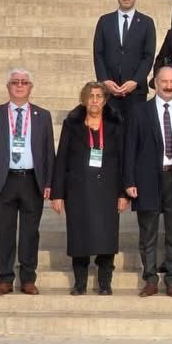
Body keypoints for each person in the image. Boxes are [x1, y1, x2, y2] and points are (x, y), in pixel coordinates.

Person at [0, 69, 55, 295]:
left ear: (31, 87)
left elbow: (49, 153)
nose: (19, 86)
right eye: (15, 82)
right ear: (8, 87)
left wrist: (49, 182)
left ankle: (28, 278)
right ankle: (5, 278)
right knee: (4, 232)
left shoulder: (43, 115)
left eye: (24, 82)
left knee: (30, 232)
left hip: (32, 180)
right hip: (4, 181)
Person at [50, 82, 127, 295]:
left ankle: (104, 283)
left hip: (107, 191)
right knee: (79, 238)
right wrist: (58, 194)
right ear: (84, 99)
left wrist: (122, 193)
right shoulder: (72, 124)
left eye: (99, 96)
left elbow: (123, 160)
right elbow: (62, 158)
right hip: (78, 191)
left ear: (105, 100)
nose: (94, 100)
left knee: (106, 237)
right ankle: (80, 283)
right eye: (90, 96)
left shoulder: (115, 123)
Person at [123, 67, 172, 297]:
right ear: (155, 82)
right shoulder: (139, 110)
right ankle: (151, 279)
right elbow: (130, 147)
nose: (169, 85)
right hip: (147, 178)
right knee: (148, 233)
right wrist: (129, 180)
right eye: (164, 81)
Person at [92, 0, 157, 119]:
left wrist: (135, 81)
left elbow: (148, 56)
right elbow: (98, 54)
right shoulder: (105, 21)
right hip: (110, 89)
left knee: (134, 133)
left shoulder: (147, 23)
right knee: (112, 133)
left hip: (136, 91)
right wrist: (105, 81)